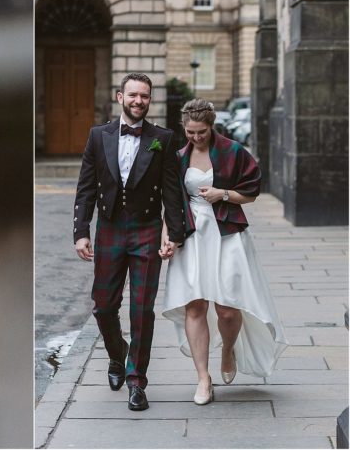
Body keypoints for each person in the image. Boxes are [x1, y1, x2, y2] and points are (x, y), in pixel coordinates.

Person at [161, 98, 288, 405]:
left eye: (201, 131)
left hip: (226, 232)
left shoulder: (233, 151)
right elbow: (171, 201)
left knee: (229, 309)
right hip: (192, 234)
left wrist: (224, 194)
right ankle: (203, 378)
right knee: (195, 306)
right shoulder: (178, 157)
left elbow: (252, 191)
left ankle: (228, 349)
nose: (196, 137)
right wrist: (167, 235)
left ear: (212, 124)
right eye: (190, 132)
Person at [72, 73, 186, 411]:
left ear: (150, 100)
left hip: (147, 230)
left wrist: (174, 235)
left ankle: (137, 381)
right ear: (120, 96)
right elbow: (86, 187)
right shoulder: (98, 136)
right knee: (103, 305)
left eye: (145, 97)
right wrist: (81, 231)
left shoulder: (162, 139)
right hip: (109, 229)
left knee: (141, 310)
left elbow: (171, 191)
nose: (139, 101)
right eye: (133, 95)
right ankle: (117, 353)